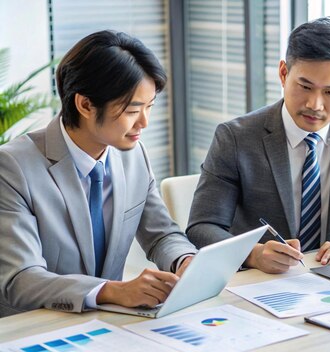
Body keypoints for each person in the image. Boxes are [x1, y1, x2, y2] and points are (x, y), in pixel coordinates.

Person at [186, 17, 330, 274]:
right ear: (284, 74)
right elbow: (202, 226)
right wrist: (253, 254)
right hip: (259, 283)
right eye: (305, 87)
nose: (315, 104)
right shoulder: (236, 137)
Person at [0, 30, 198, 317]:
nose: (145, 122)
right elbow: (21, 278)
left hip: (108, 325)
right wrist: (110, 290)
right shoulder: (12, 167)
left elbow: (161, 234)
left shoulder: (133, 155)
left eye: (150, 107)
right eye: (133, 110)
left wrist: (184, 259)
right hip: (37, 327)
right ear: (85, 105)